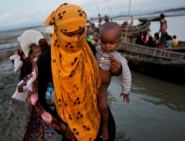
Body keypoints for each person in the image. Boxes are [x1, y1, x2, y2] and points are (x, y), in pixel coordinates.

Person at [37, 3, 122, 141]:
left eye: (80, 32)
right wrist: (62, 128)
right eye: (70, 34)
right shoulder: (46, 60)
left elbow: (99, 77)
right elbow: (39, 100)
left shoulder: (87, 47)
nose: (76, 39)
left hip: (99, 121)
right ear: (58, 30)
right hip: (72, 131)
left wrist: (115, 71)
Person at [95, 22, 132, 140]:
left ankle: (105, 127)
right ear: (99, 40)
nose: (107, 46)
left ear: (118, 42)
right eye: (104, 42)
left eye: (111, 43)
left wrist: (126, 90)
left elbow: (126, 72)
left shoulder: (117, 57)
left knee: (103, 106)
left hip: (102, 87)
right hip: (90, 84)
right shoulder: (97, 49)